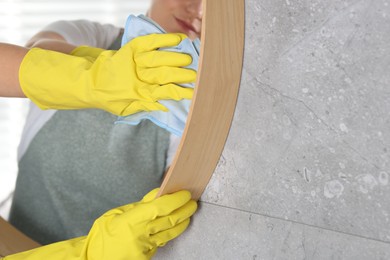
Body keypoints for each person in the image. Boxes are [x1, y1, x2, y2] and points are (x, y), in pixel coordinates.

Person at [3, 0, 203, 258]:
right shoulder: (93, 37)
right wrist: (97, 76)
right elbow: (36, 52)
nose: (197, 11)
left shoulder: (195, 116)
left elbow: (168, 219)